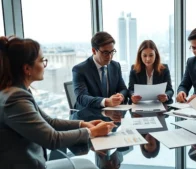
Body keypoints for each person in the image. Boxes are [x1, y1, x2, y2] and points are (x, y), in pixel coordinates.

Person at [0, 37, 116, 169]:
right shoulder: (15, 98)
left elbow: (49, 122)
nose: (45, 65)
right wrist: (91, 132)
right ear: (27, 69)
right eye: (42, 60)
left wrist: (83, 124)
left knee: (87, 165)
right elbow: (52, 139)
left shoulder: (19, 91)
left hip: (36, 163)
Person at [72, 32, 128, 110]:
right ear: (94, 51)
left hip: (110, 114)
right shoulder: (80, 70)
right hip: (87, 116)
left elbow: (123, 89)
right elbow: (82, 97)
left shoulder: (115, 66)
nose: (110, 56)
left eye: (112, 52)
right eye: (105, 53)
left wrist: (120, 96)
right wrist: (106, 101)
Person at [128, 40, 174, 104]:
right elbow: (130, 89)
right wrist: (132, 96)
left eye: (151, 55)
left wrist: (166, 96)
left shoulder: (164, 69)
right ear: (140, 56)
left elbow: (170, 90)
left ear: (156, 55)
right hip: (140, 105)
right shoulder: (134, 69)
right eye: (144, 55)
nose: (148, 59)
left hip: (159, 105)